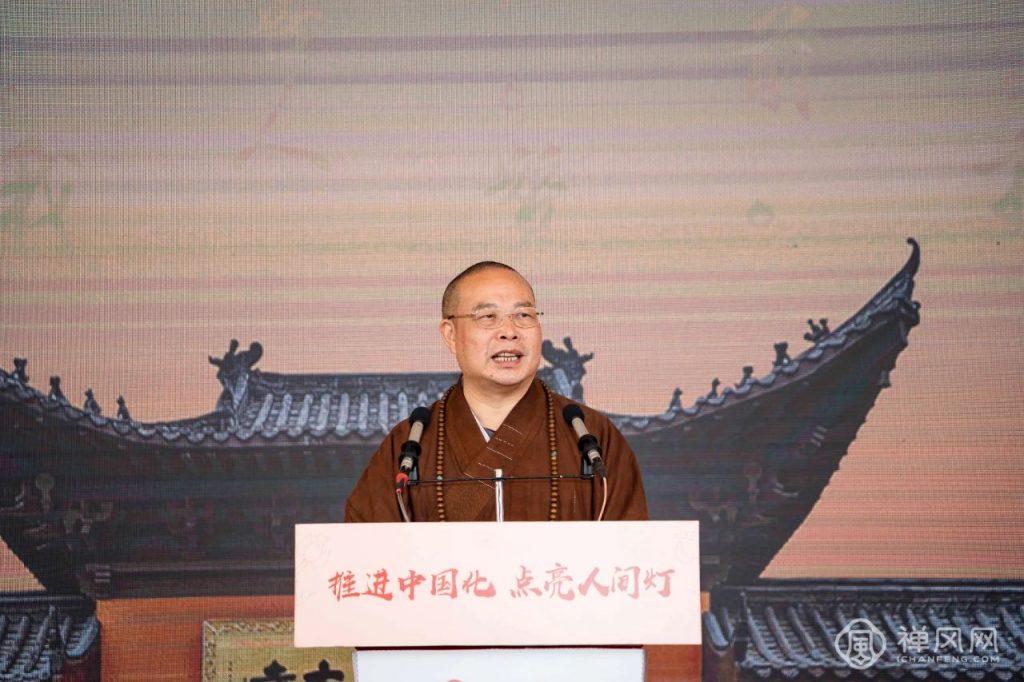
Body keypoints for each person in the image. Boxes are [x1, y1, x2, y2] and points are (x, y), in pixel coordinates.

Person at [344, 261, 647, 522]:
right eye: (488, 317)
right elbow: (366, 555)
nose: (509, 331)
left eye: (524, 315)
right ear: (450, 335)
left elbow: (632, 555)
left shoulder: (591, 438)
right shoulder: (410, 445)